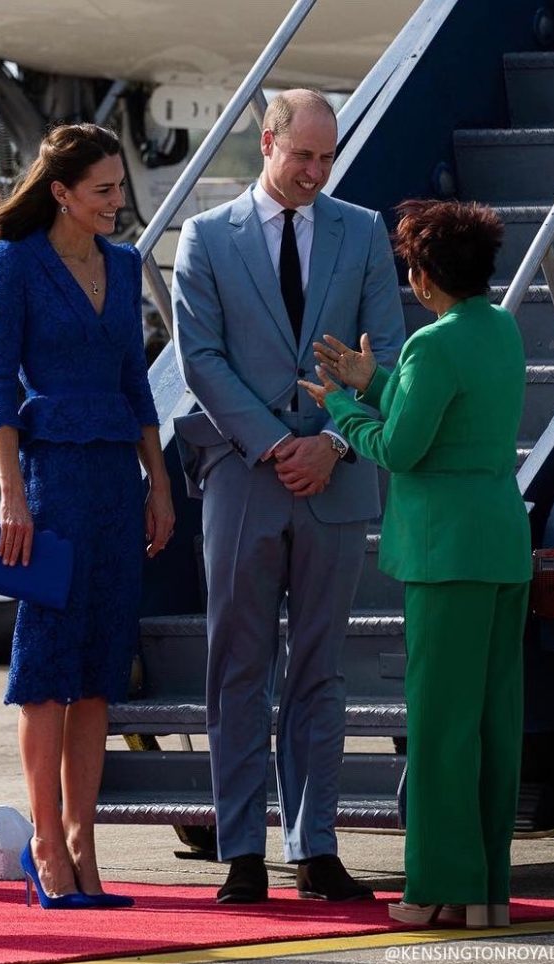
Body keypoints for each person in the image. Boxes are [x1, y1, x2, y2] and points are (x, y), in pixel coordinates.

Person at [171, 89, 406, 903]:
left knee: (319, 668)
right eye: (302, 155)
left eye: (326, 157)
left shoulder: (363, 230)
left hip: (335, 476)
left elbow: (388, 354)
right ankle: (240, 847)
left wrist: (333, 442)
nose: (315, 171)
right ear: (266, 142)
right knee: (238, 666)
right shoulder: (205, 236)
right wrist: (277, 444)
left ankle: (315, 845)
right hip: (244, 477)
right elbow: (200, 357)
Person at [0, 123, 175, 909]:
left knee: (97, 678)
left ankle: (85, 838)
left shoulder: (123, 263)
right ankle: (45, 842)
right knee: (47, 671)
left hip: (116, 485)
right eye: (104, 190)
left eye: (121, 187)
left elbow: (137, 384)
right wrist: (10, 491)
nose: (120, 202)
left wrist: (157, 480)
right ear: (62, 193)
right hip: (47, 485)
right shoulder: (15, 262)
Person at [300, 199, 530, 929]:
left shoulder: (433, 346)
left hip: (445, 554)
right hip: (499, 545)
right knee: (494, 722)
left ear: (425, 275)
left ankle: (437, 886)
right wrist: (375, 380)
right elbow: (443, 411)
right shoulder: (500, 329)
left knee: (439, 728)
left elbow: (400, 448)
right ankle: (486, 886)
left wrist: (342, 406)